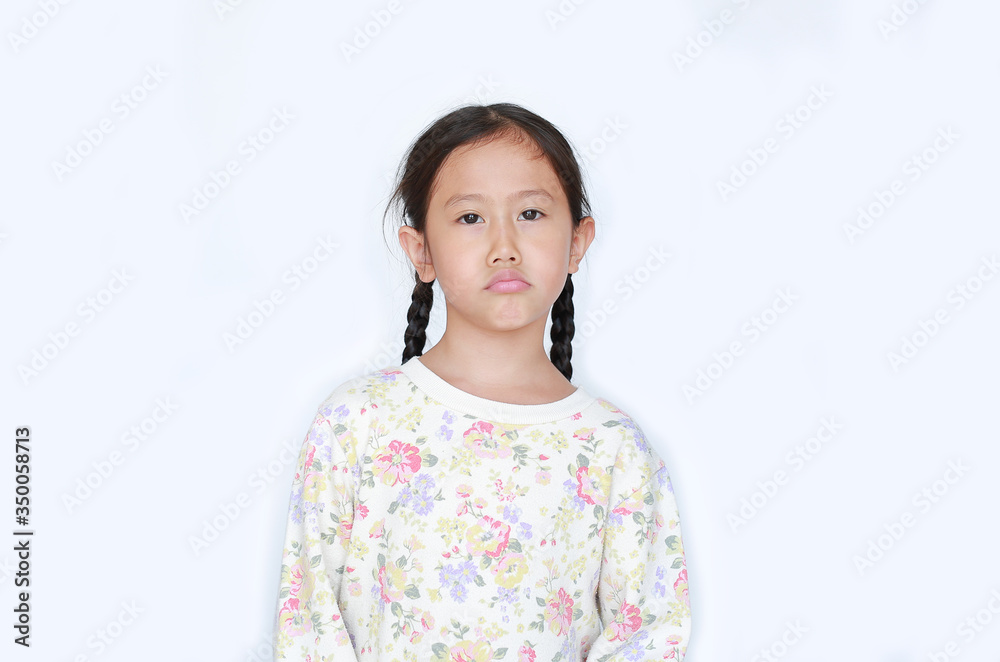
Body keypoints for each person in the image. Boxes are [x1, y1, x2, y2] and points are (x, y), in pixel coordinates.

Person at [272, 103, 691, 661]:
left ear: (577, 241)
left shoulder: (614, 448)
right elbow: (308, 629)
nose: (504, 246)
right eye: (470, 218)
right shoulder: (357, 421)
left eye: (531, 214)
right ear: (421, 250)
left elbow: (648, 638)